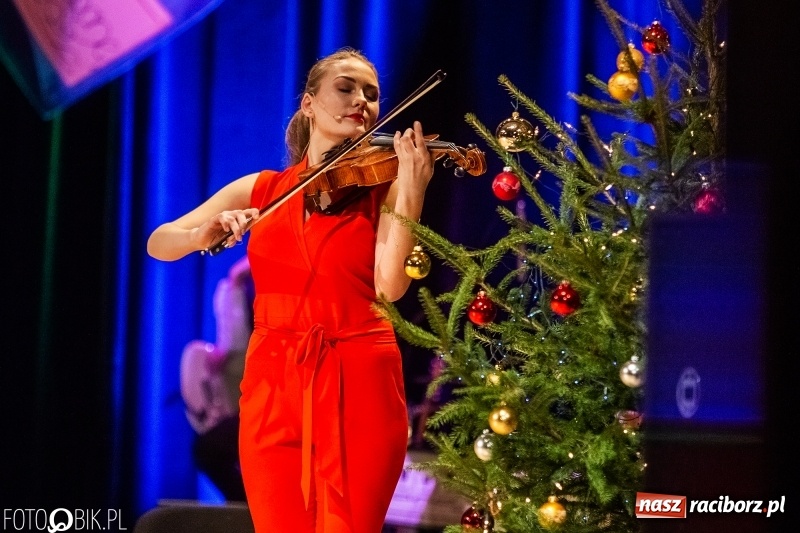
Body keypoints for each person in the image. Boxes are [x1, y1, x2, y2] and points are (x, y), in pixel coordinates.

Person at [147, 47, 434, 533]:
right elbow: (160, 242)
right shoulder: (262, 189)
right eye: (345, 88)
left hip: (359, 377)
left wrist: (412, 192)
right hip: (273, 381)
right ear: (308, 104)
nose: (361, 101)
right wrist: (201, 234)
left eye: (371, 94)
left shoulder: (383, 190)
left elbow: (389, 287)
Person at [179, 255, 252, 502]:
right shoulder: (235, 286)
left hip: (283, 399)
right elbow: (233, 345)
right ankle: (245, 508)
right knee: (209, 449)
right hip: (255, 402)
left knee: (210, 450)